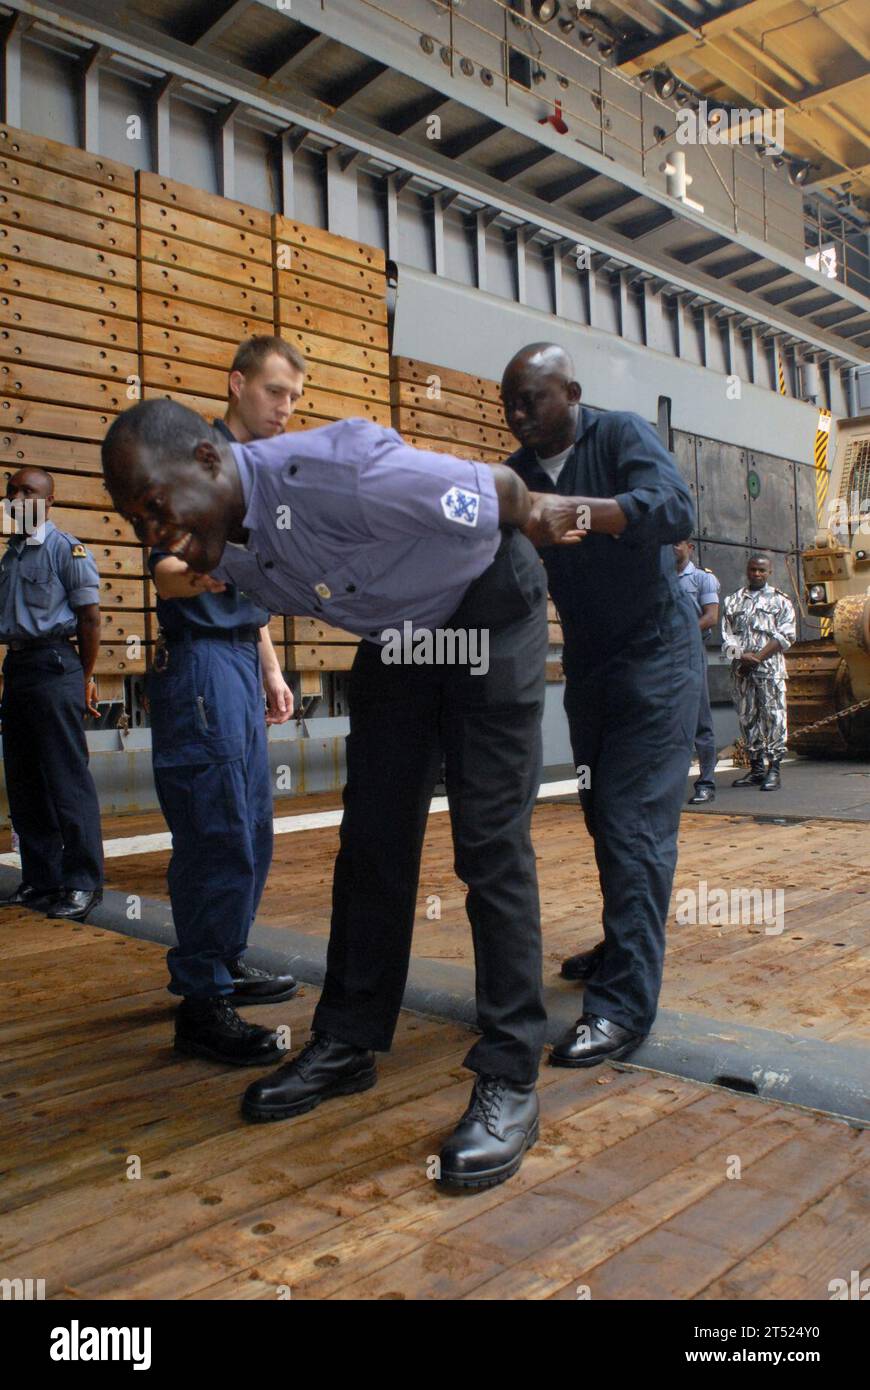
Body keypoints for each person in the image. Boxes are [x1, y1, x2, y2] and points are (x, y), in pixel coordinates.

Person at [102, 399, 550, 1193]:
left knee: (488, 844)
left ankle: (512, 1075)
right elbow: (173, 573)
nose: (154, 534)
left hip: (486, 610)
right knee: (372, 845)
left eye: (156, 509)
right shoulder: (221, 535)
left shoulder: (344, 471)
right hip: (403, 637)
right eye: (136, 522)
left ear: (209, 460)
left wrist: (570, 513)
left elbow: (505, 495)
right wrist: (171, 549)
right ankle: (347, 1042)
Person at [501, 343, 700, 1067]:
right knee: (601, 814)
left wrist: (578, 510)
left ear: (572, 393)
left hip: (657, 652)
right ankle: (625, 943)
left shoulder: (618, 434)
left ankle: (622, 1007)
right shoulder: (516, 476)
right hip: (589, 660)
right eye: (511, 404)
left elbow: (675, 508)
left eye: (534, 400)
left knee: (633, 823)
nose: (520, 415)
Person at [147, 337, 302, 1067]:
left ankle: (226, 958)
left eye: (296, 398)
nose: (286, 408)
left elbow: (256, 587)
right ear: (238, 384)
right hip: (202, 665)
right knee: (217, 831)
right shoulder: (191, 465)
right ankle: (201, 1003)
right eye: (276, 392)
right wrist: (211, 571)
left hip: (239, 656)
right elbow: (168, 572)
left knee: (254, 828)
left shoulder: (255, 475)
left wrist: (270, 667)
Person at [0, 467, 104, 920]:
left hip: (56, 664)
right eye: (12, 491)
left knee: (66, 778)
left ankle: (83, 883)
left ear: (50, 501)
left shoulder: (67, 549)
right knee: (24, 780)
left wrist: (85, 675)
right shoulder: (11, 555)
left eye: (29, 491)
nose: (18, 497)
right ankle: (41, 879)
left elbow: (91, 618)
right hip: (19, 667)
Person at [723, 554, 796, 792]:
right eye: (753, 569)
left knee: (773, 718)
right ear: (747, 570)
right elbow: (727, 637)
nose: (757, 574)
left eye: (761, 571)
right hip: (741, 671)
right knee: (747, 718)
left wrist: (756, 658)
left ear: (769, 572)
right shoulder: (733, 600)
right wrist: (741, 656)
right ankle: (755, 770)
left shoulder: (781, 601)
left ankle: (774, 770)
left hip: (770, 671)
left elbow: (786, 635)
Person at [674, 539, 720, 805]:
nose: (672, 548)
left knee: (701, 721)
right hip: (664, 655)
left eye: (677, 543)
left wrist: (682, 634)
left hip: (691, 653)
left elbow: (711, 616)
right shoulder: (660, 578)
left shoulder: (703, 579)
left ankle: (706, 783)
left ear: (690, 546)